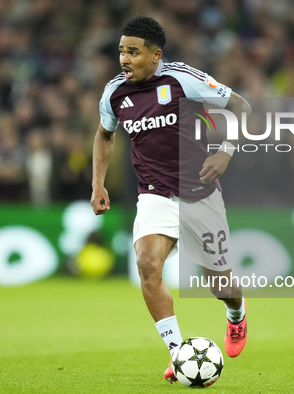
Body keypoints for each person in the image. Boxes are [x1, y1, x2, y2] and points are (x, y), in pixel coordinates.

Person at [90, 16, 251, 384]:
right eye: (121, 51)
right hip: (154, 195)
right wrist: (98, 183)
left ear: (155, 55)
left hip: (200, 193)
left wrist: (226, 151)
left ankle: (237, 315)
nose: (124, 59)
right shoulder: (114, 93)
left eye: (133, 52)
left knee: (220, 284)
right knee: (148, 264)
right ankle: (179, 353)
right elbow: (104, 135)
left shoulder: (182, 79)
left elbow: (241, 107)